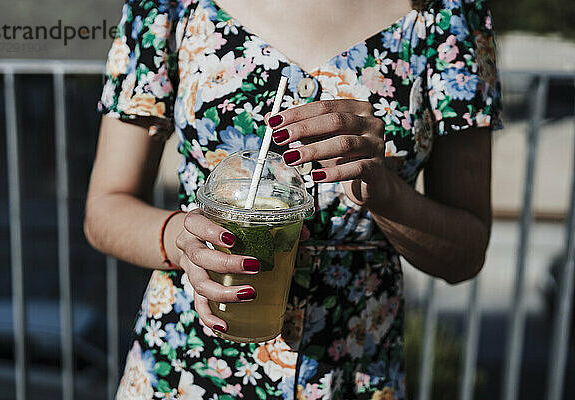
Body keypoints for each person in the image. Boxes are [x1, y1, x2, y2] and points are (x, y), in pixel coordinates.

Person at [84, 0, 502, 398]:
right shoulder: (168, 7)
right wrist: (185, 241)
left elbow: (465, 253)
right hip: (188, 368)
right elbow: (105, 209)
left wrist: (387, 193)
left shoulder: (446, 14)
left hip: (354, 373)